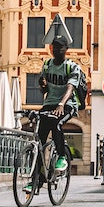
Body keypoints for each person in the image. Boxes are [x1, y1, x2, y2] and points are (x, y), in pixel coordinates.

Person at [35, 20, 84, 175]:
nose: (57, 51)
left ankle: (62, 157)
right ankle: (38, 175)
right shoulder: (47, 65)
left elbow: (71, 87)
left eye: (60, 48)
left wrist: (62, 104)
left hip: (68, 104)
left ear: (66, 50)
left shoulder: (72, 67)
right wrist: (42, 84)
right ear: (51, 49)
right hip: (50, 102)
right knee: (39, 138)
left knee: (56, 123)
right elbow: (44, 89)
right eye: (55, 48)